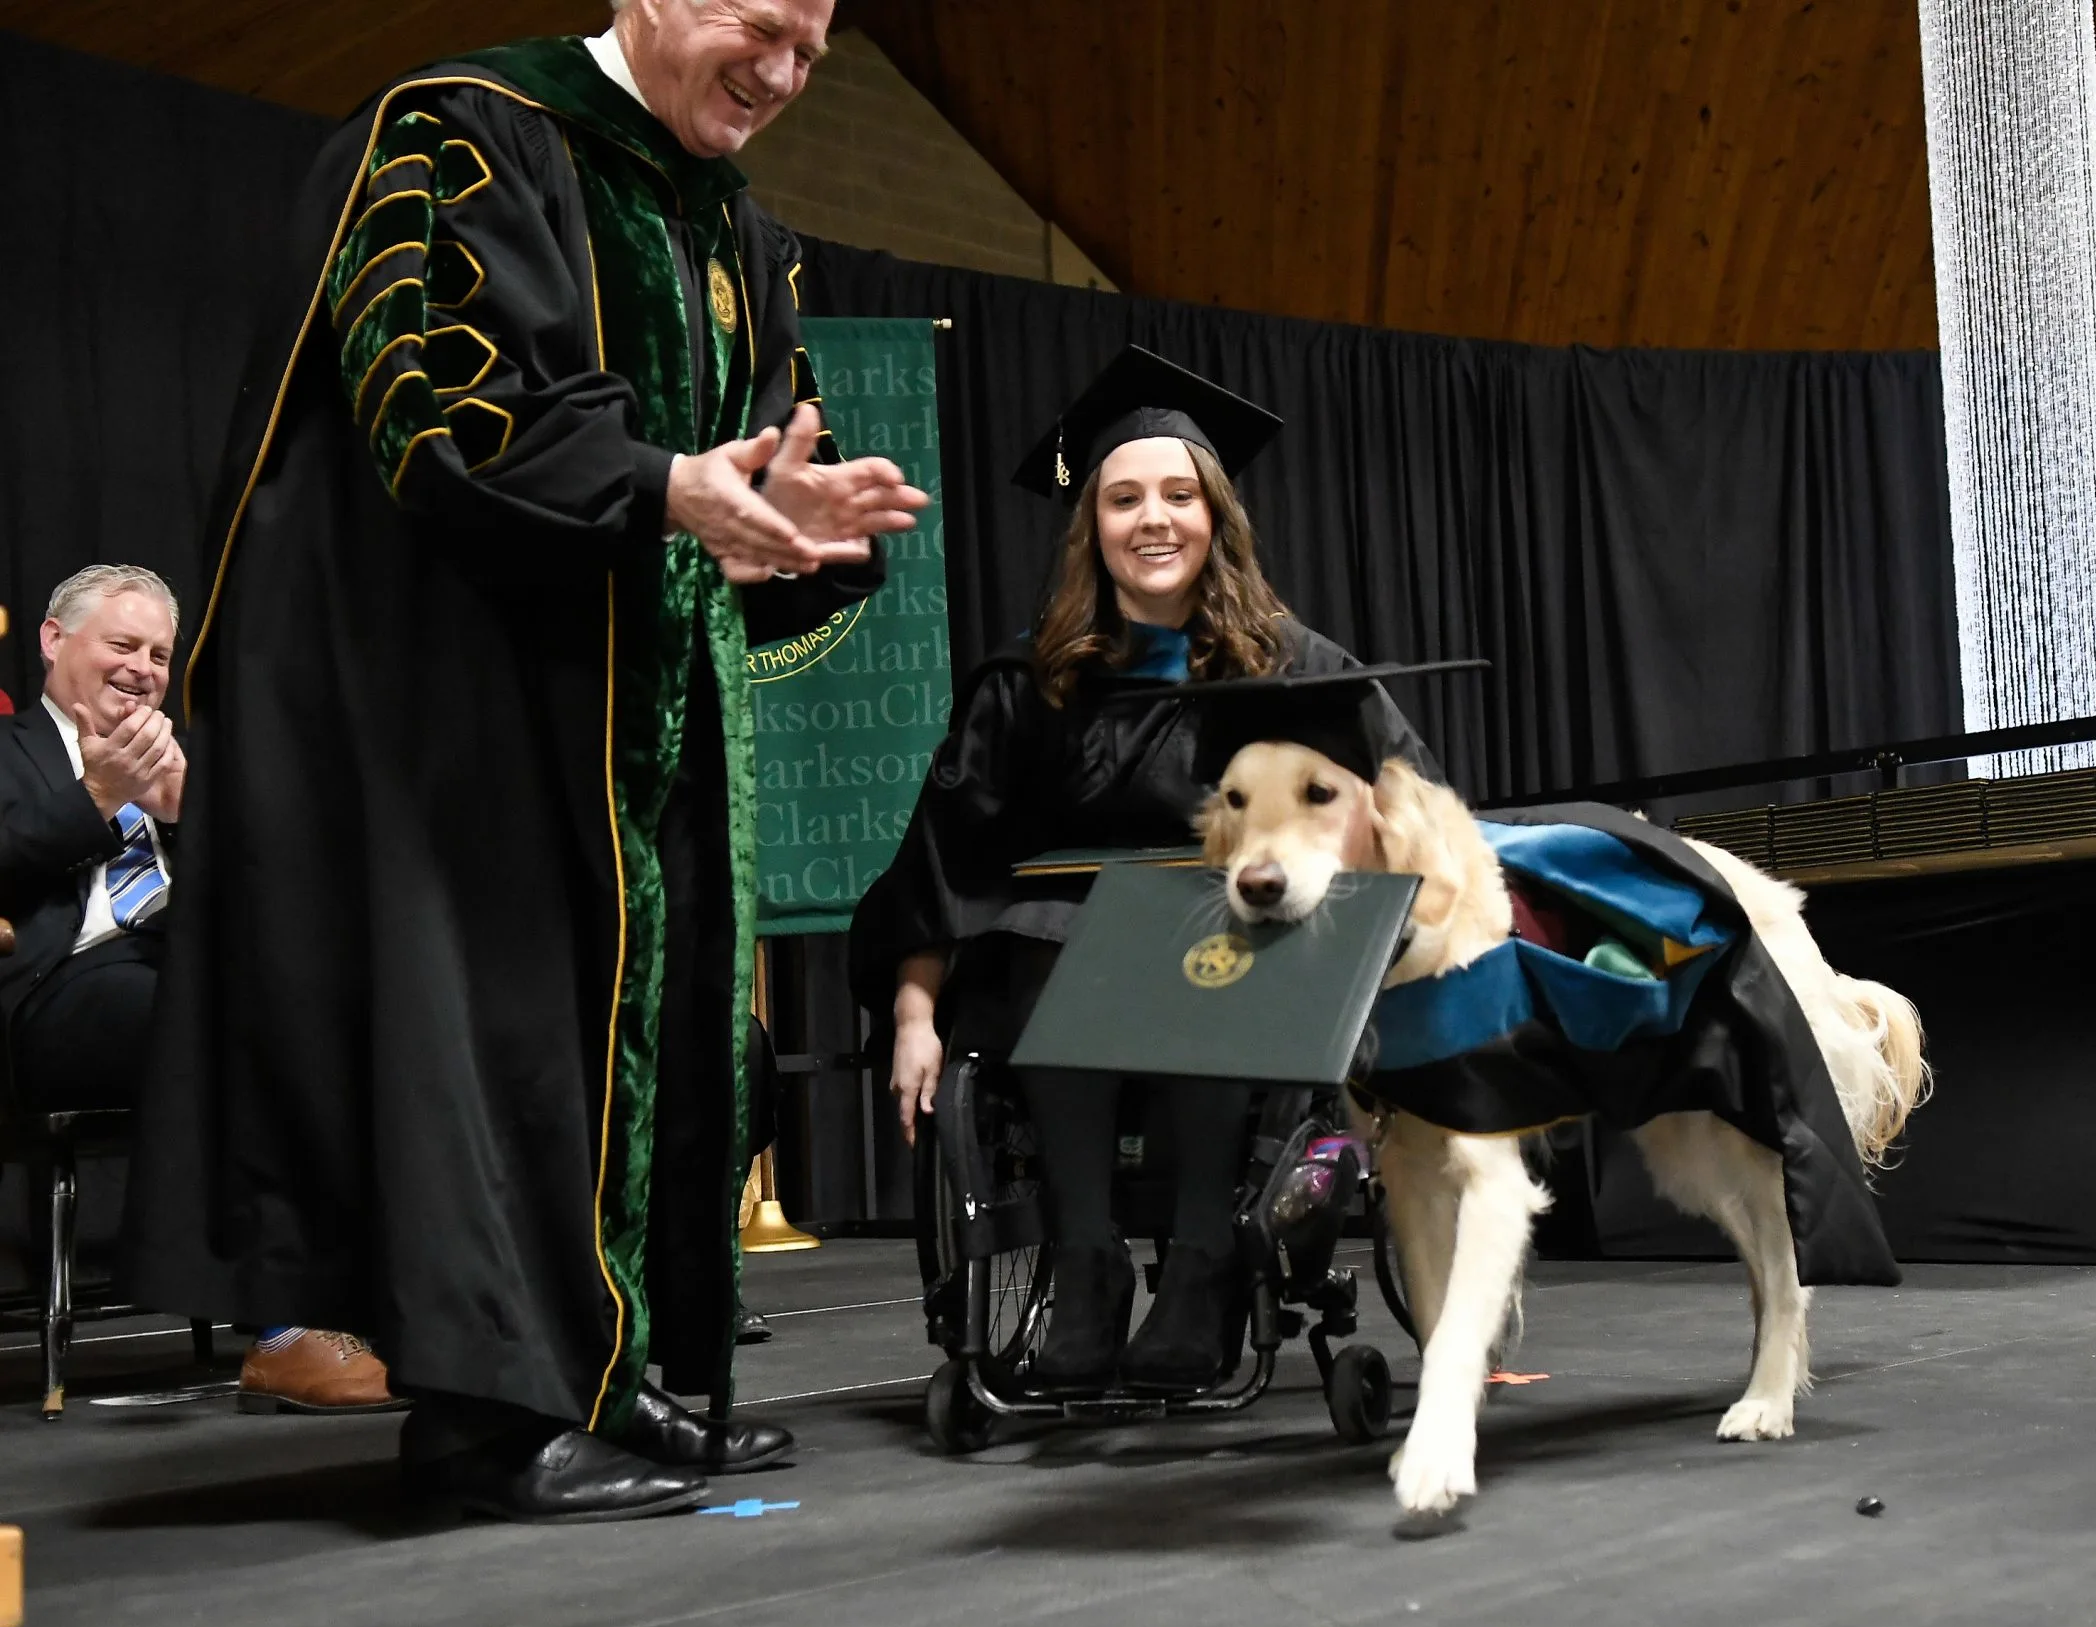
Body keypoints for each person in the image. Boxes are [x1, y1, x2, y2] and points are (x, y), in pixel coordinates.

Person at [124, 0, 930, 1523]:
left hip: (638, 702)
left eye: (814, 50)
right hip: (460, 704)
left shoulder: (740, 231)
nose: (782, 73)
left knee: (645, 1038)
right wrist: (662, 484)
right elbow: (424, 406)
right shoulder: (463, 130)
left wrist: (794, 520)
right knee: (497, 1044)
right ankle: (492, 1418)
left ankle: (618, 1374)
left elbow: (741, 469)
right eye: (759, 26)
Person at [852, 347, 1433, 1391]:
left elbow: (1412, 810)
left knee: (1196, 944)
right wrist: (911, 1017)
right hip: (1055, 967)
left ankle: (1205, 1264)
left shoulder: (1291, 671)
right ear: (1094, 527)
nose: (1152, 519)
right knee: (1050, 945)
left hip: (1240, 958)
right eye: (1122, 498)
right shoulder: (1029, 684)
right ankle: (1086, 1269)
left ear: (1216, 518)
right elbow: (943, 857)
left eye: (1178, 495)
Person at [1, 566, 397, 1415]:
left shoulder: (188, 762)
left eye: (158, 653)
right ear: (52, 639)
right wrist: (99, 796)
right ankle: (286, 1327)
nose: (143, 667)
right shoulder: (9, 751)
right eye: (122, 644)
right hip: (56, 991)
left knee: (347, 1006)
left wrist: (185, 816)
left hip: (185, 968)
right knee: (221, 1017)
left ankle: (389, 1303)